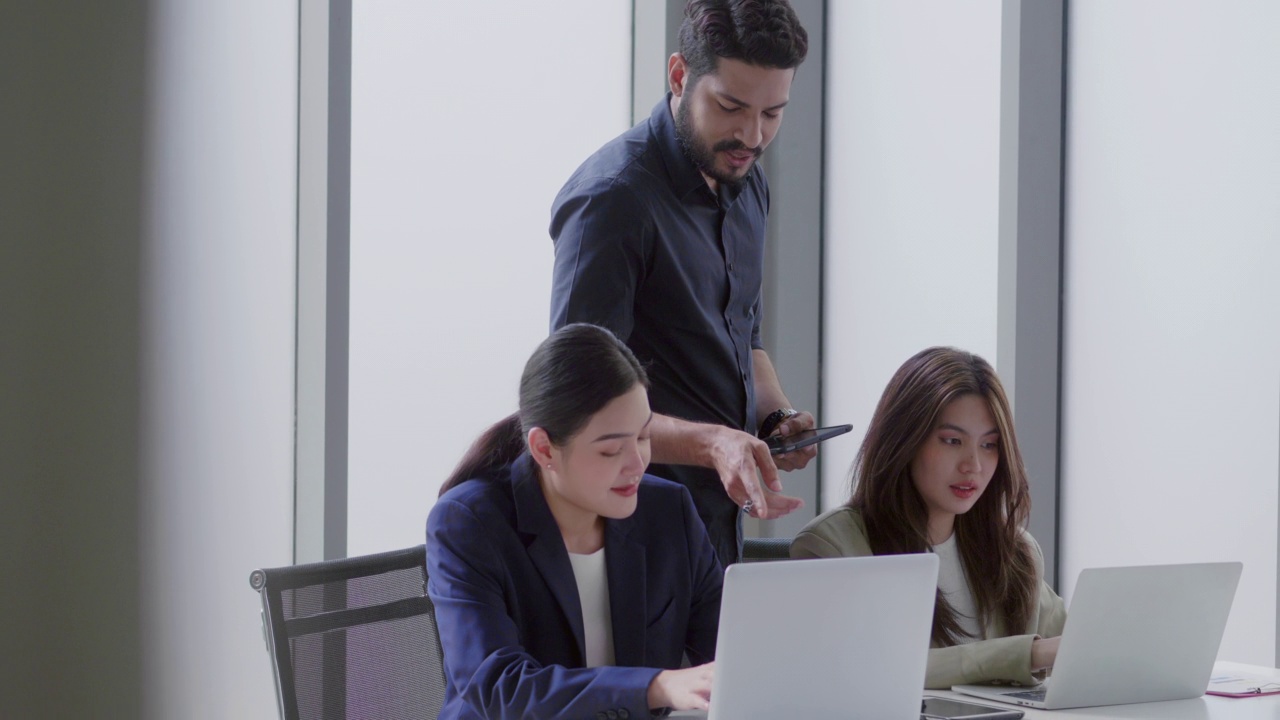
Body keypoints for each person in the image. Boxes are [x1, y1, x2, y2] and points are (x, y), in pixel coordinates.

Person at [549, 0, 815, 567]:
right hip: (625, 536)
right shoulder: (612, 200)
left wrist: (774, 418)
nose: (752, 134)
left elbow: (745, 335)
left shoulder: (745, 181)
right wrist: (714, 443)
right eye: (731, 106)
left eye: (773, 114)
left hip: (715, 527)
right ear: (678, 75)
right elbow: (577, 399)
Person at [426, 324, 723, 719]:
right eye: (611, 450)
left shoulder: (668, 512)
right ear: (544, 448)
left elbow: (732, 651)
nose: (637, 464)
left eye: (644, 438)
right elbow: (500, 689)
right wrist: (656, 686)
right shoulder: (468, 524)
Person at [791, 347, 1067, 689]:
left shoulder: (1016, 550)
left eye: (989, 445)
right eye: (952, 441)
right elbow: (867, 671)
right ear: (903, 440)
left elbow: (1075, 643)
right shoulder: (835, 547)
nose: (973, 466)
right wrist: (1029, 654)